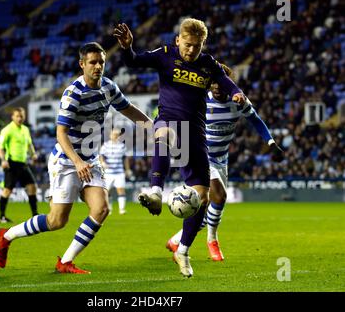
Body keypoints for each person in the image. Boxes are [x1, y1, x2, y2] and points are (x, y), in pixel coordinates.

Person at [0, 42, 152, 274]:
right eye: (92, 62)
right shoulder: (73, 93)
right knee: (57, 221)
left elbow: (128, 109)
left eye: (101, 62)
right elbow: (61, 133)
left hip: (90, 160)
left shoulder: (109, 87)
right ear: (82, 65)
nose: (98, 66)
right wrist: (77, 162)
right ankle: (5, 236)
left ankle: (65, 262)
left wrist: (153, 126)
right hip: (67, 162)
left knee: (101, 209)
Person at [114, 18, 247, 277]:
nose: (190, 51)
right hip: (169, 118)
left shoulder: (208, 64)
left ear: (202, 45)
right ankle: (155, 191)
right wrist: (127, 48)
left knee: (203, 198)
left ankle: (183, 251)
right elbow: (134, 61)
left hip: (196, 134)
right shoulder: (165, 55)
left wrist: (236, 93)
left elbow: (226, 81)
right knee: (162, 132)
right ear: (178, 40)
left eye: (196, 47)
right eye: (187, 45)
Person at [165, 64, 284, 261]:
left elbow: (256, 120)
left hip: (222, 159)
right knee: (219, 196)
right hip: (201, 156)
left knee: (207, 207)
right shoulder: (200, 100)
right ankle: (212, 241)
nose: (216, 86)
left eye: (220, 82)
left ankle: (176, 240)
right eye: (213, 82)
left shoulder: (238, 101)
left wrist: (271, 143)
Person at [0, 107, 39, 223]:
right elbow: (0, 147)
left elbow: (29, 144)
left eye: (22, 116)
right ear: (12, 117)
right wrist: (3, 160)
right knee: (7, 190)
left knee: (32, 187)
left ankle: (35, 215)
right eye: (17, 116)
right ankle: (1, 216)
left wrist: (33, 154)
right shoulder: (7, 130)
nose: (20, 118)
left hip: (23, 164)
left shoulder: (25, 129)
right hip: (11, 163)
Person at [99, 128, 132, 215]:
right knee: (107, 191)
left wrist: (127, 169)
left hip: (119, 172)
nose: (115, 136)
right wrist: (103, 163)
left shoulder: (122, 146)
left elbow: (125, 159)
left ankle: (122, 209)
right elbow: (101, 155)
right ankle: (109, 208)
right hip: (108, 172)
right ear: (110, 135)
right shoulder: (105, 145)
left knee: (120, 189)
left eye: (117, 135)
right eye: (114, 134)